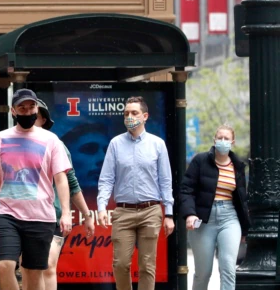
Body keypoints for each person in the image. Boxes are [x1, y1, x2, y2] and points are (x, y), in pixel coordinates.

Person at [0, 88, 72, 290]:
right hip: (7, 215)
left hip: (41, 217)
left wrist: (65, 213)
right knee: (4, 265)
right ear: (13, 111)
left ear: (36, 109)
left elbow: (61, 179)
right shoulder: (0, 139)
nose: (28, 112)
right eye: (22, 107)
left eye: (31, 107)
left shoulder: (51, 140)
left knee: (32, 273)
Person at [97, 96, 175, 290]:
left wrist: (169, 213)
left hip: (151, 210)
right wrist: (101, 207)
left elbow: (165, 181)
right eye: (126, 114)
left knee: (147, 266)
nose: (129, 117)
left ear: (145, 116)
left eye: (134, 113)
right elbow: (106, 179)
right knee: (121, 264)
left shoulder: (157, 144)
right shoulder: (115, 144)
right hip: (123, 212)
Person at [21, 99, 95, 290]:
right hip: (22, 216)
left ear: (43, 120)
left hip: (50, 216)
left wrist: (86, 216)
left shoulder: (56, 146)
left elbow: (71, 184)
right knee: (28, 268)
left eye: (35, 115)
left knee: (47, 266)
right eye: (25, 112)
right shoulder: (13, 144)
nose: (30, 118)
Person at [180, 124, 249, 290]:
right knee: (203, 272)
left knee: (228, 268)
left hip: (230, 218)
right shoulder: (200, 161)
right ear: (214, 140)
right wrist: (190, 214)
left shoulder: (238, 166)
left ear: (233, 142)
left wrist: (244, 230)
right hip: (204, 219)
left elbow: (241, 200)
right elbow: (186, 189)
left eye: (227, 139)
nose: (223, 141)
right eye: (220, 138)